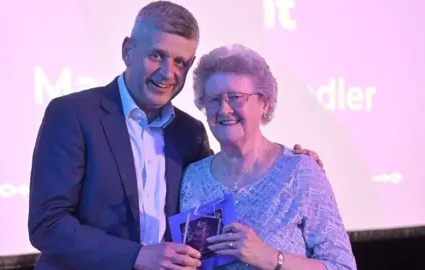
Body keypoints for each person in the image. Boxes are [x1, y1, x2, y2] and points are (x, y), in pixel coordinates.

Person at [28, 1, 323, 269]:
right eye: (157, 55)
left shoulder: (190, 133)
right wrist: (137, 256)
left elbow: (224, 189)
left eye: (180, 62)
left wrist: (289, 164)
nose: (168, 73)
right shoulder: (72, 114)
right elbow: (48, 224)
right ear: (128, 51)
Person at [180, 44, 356, 270]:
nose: (224, 109)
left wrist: (269, 257)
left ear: (264, 103)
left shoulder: (300, 172)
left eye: (236, 97)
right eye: (214, 99)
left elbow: (342, 267)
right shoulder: (193, 178)